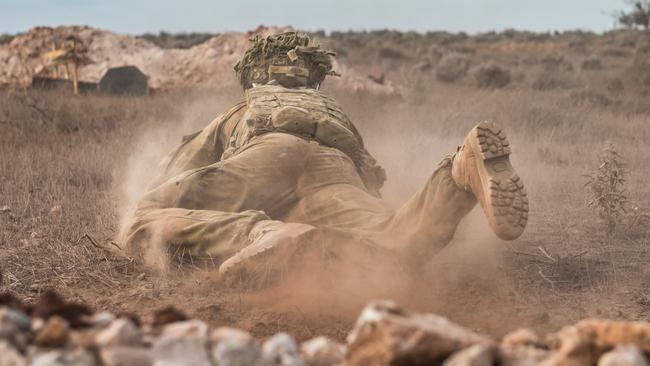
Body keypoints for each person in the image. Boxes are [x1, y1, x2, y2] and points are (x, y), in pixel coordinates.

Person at [121, 32, 528, 277]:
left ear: (255, 75)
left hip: (270, 151)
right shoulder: (332, 112)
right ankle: (457, 175)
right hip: (337, 167)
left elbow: (174, 175)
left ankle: (259, 234)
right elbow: (369, 181)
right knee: (393, 243)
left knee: (142, 221)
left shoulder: (246, 107)